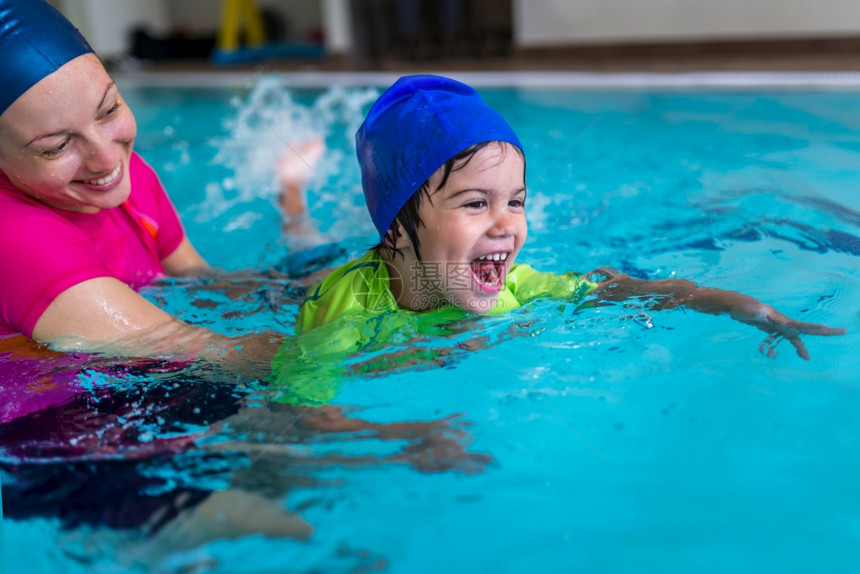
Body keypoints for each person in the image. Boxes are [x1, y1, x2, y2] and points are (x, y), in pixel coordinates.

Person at [289, 74, 845, 363]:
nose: (507, 224)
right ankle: (292, 193)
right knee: (300, 257)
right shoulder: (342, 312)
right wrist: (408, 436)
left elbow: (628, 291)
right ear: (395, 230)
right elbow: (305, 414)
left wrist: (741, 305)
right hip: (306, 286)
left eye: (516, 201)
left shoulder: (517, 286)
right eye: (476, 203)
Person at [0, 0, 301, 378]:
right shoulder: (13, 237)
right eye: (57, 147)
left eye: (108, 110)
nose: (107, 160)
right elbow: (212, 353)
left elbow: (199, 281)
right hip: (59, 425)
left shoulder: (126, 175)